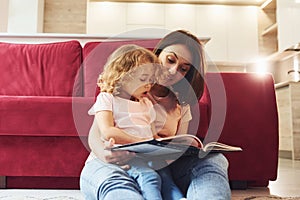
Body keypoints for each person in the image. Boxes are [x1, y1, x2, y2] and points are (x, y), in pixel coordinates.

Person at [80, 30, 231, 200]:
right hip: (111, 162)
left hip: (158, 167)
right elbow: (97, 134)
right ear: (156, 55)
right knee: (119, 185)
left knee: (214, 160)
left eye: (183, 69)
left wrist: (183, 149)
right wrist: (104, 154)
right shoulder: (126, 86)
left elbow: (176, 149)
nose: (173, 71)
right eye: (170, 60)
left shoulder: (181, 105)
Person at [86, 44, 167, 200]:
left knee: (166, 177)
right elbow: (108, 131)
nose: (149, 84)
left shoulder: (146, 104)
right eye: (144, 79)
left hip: (144, 156)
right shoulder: (107, 99)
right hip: (122, 156)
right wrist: (143, 141)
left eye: (151, 80)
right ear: (123, 76)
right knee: (150, 178)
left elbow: (152, 135)